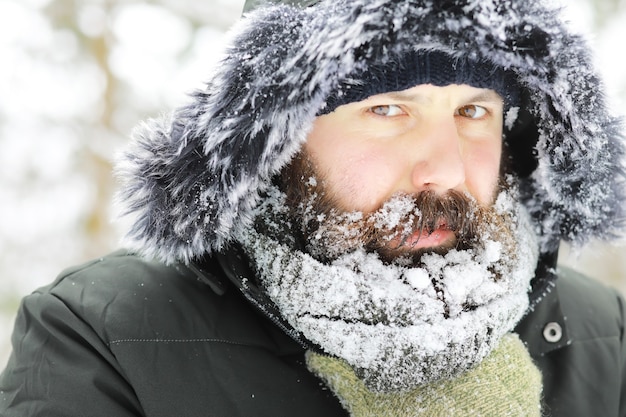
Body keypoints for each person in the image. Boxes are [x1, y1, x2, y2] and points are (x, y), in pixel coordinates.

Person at [2, 0, 626, 415]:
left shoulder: (603, 331)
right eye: (387, 109)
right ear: (280, 138)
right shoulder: (106, 337)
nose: (447, 168)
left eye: (473, 112)